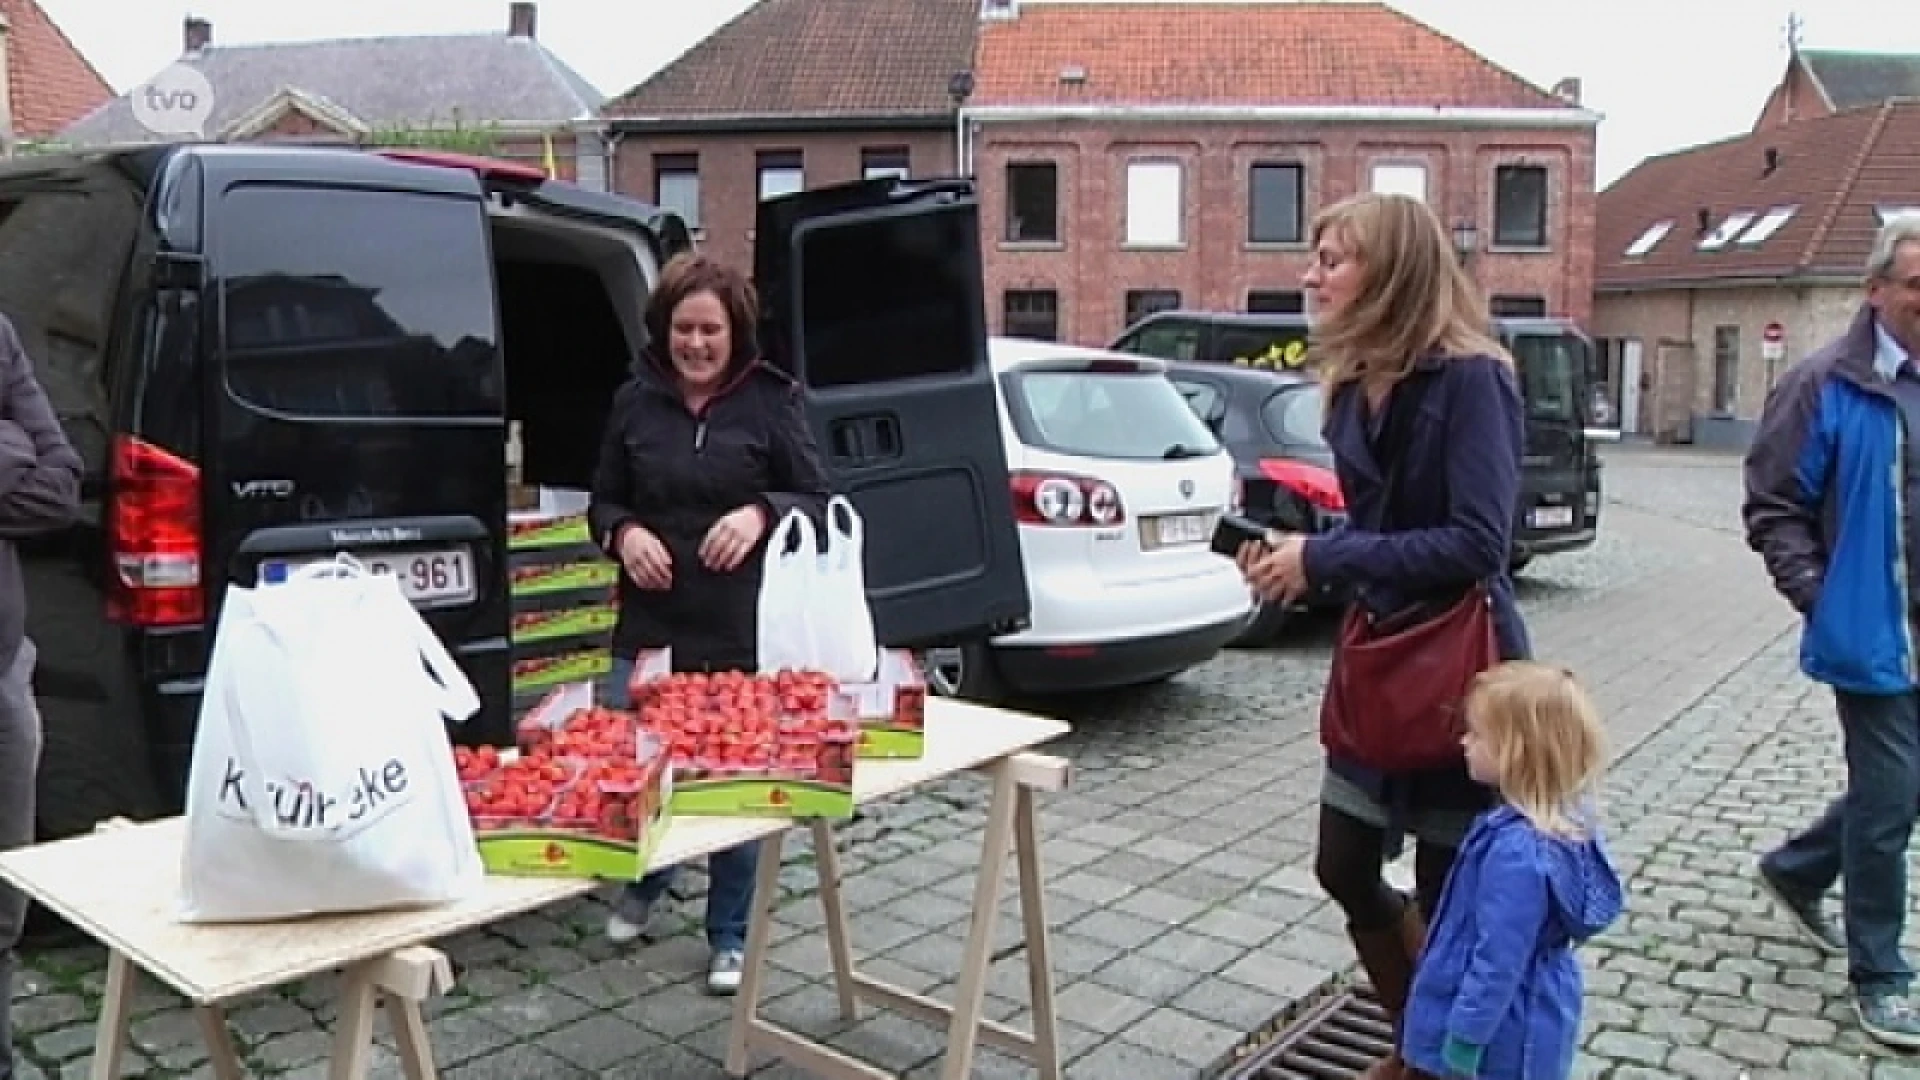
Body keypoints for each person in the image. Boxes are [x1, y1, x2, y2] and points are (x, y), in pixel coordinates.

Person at [1238, 192, 1530, 1080]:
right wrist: (1292, 561)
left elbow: (1480, 542)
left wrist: (1323, 560)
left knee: (1448, 893)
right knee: (1344, 860)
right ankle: (1418, 1036)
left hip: (1459, 669)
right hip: (1379, 658)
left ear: (1393, 270)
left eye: (1333, 259)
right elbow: (1375, 530)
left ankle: (1433, 1060)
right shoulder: (1351, 380)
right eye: (1316, 257)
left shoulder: (1475, 378)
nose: (1310, 274)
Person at [588, 253, 829, 995]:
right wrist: (623, 532)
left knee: (733, 785)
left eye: (710, 330)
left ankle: (728, 935)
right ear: (663, 331)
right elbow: (602, 500)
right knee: (637, 766)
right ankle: (648, 880)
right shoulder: (634, 401)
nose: (695, 343)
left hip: (740, 632)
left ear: (735, 333)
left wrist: (763, 512)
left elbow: (820, 498)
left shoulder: (771, 402)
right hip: (651, 629)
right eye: (683, 328)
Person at [1743, 213, 1920, 1048]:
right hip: (1872, 630)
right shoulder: (1824, 383)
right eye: (1917, 283)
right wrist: (1821, 597)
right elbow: (1775, 505)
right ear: (1877, 289)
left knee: (1906, 789)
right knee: (1889, 800)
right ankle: (1881, 971)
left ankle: (1797, 867)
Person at [1400, 662, 1623, 1080]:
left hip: (1500, 1038)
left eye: (1478, 735)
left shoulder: (1517, 853)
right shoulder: (1565, 822)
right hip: (1534, 1015)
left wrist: (1465, 1040)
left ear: (1515, 751)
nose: (1464, 742)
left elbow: (1497, 959)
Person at [0, 313, 81, 1078]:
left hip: (3, 680)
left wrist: (23, 453)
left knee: (3, 907)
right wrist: (9, 451)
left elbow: (61, 484)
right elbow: (31, 460)